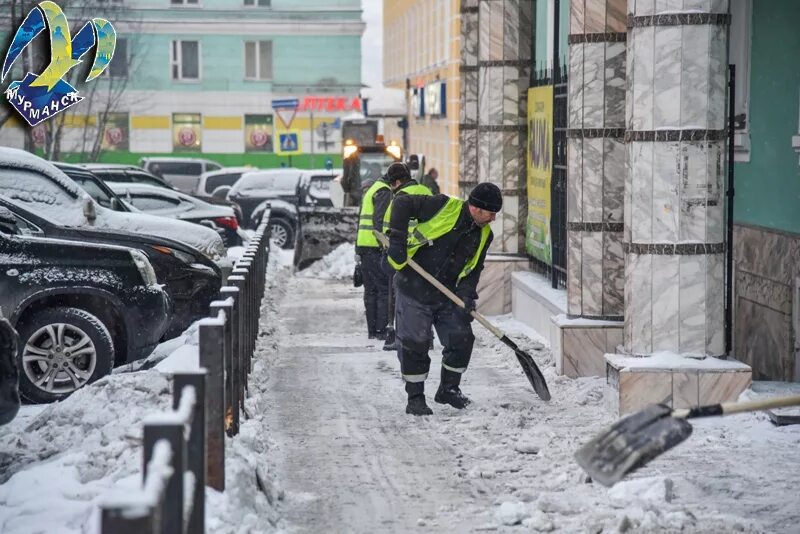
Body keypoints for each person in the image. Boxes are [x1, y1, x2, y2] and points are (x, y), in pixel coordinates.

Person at [386, 182, 502, 416]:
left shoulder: (484, 234)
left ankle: (448, 389)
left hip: (446, 293)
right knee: (415, 343)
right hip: (414, 286)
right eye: (491, 213)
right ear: (477, 208)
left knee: (461, 337)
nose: (493, 219)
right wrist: (397, 240)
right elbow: (401, 202)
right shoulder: (441, 206)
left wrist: (467, 295)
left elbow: (474, 269)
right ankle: (415, 397)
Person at [377, 163, 432, 351]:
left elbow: (388, 228)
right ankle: (427, 337)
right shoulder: (426, 190)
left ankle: (401, 337)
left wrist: (389, 250)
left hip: (405, 254)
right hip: (427, 254)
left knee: (402, 298)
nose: (391, 187)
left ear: (398, 182)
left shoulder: (400, 198)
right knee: (425, 298)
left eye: (392, 184)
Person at [355, 163, 410, 339]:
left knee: (371, 290)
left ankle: (373, 330)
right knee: (384, 290)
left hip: (365, 246)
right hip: (375, 247)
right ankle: (382, 330)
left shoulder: (373, 189)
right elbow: (379, 222)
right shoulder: (385, 192)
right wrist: (386, 245)